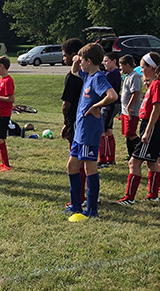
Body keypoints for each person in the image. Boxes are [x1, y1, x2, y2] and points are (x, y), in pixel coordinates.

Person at [64, 42, 117, 221]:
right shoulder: (87, 75)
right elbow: (73, 71)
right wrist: (77, 60)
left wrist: (96, 106)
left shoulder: (98, 78)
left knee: (89, 167)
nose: (79, 63)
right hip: (80, 132)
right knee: (72, 166)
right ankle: (75, 205)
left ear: (89, 60)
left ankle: (92, 209)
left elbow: (112, 96)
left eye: (82, 60)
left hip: (89, 132)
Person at [116, 52, 160, 205]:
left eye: (142, 67)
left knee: (134, 162)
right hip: (149, 125)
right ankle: (153, 195)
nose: (140, 70)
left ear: (151, 67)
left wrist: (148, 131)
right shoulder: (153, 84)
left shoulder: (158, 84)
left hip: (152, 126)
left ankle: (129, 198)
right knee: (151, 162)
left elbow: (157, 109)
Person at [61, 38, 85, 207]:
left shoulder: (72, 77)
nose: (64, 59)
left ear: (73, 55)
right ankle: (88, 195)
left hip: (75, 121)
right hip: (87, 121)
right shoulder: (89, 74)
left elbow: (66, 104)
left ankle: (79, 197)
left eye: (65, 55)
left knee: (75, 163)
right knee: (88, 161)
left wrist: (65, 122)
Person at [98, 52, 122, 167]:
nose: (104, 63)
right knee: (108, 129)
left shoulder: (112, 74)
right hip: (113, 104)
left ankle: (104, 159)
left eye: (106, 61)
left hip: (109, 104)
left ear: (114, 61)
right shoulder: (113, 73)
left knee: (102, 132)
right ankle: (110, 158)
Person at [119, 54, 142, 160]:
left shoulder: (135, 76)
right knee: (126, 134)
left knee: (131, 133)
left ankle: (141, 150)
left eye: (121, 65)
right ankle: (131, 154)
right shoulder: (127, 76)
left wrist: (129, 107)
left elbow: (136, 93)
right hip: (124, 111)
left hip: (131, 111)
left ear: (127, 65)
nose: (120, 68)